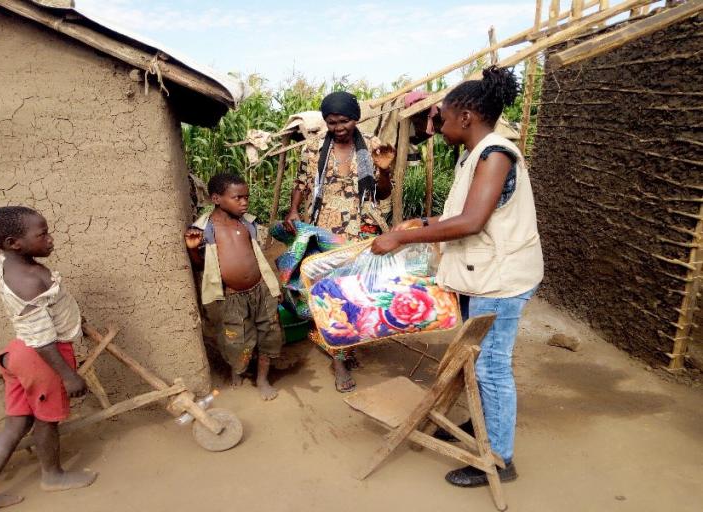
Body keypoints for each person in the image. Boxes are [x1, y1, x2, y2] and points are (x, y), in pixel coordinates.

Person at [371, 66, 544, 487]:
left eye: (443, 118)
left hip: (500, 282)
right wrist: (423, 221)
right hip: (482, 275)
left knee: (491, 368)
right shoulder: (476, 154)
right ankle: (486, 428)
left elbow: (470, 222)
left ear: (466, 116)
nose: (439, 127)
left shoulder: (496, 153)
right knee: (476, 362)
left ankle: (500, 458)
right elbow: (460, 215)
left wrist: (400, 239)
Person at [0, 207, 97, 512]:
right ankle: (53, 475)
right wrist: (67, 375)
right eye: (43, 234)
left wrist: (71, 315)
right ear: (13, 242)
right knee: (46, 421)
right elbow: (43, 339)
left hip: (17, 352)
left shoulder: (7, 264)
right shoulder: (32, 279)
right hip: (43, 357)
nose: (50, 239)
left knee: (15, 425)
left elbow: (43, 315)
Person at [283, 91, 395, 393]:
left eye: (343, 121)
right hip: (324, 232)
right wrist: (294, 209)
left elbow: (383, 193)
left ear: (355, 118)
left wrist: (383, 169)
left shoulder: (372, 147)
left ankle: (347, 346)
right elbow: (302, 183)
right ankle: (339, 359)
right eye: (332, 122)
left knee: (356, 294)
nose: (338, 127)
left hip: (360, 232)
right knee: (329, 295)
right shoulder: (315, 147)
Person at [185, 173, 283, 400]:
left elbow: (259, 256)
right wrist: (192, 249)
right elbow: (200, 266)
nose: (244, 202)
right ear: (216, 199)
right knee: (235, 339)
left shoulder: (247, 223)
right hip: (231, 296)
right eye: (237, 197)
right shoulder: (204, 229)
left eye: (246, 197)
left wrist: (273, 289)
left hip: (261, 289)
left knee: (269, 332)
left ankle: (262, 379)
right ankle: (237, 369)